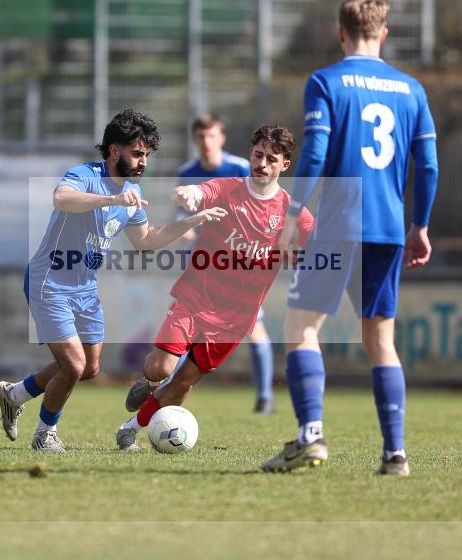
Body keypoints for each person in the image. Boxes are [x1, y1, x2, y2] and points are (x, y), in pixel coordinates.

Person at [260, 0, 439, 475]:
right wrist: (419, 224)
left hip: (339, 224)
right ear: (384, 33)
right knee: (381, 340)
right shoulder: (411, 90)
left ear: (341, 33)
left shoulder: (326, 81)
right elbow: (428, 164)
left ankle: (310, 436)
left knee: (301, 329)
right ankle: (395, 454)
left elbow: (315, 153)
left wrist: (292, 213)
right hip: (388, 227)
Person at [0, 109, 227, 453]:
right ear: (114, 150)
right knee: (72, 364)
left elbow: (146, 240)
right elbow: (61, 198)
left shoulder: (131, 196)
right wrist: (111, 198)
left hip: (85, 287)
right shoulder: (86, 175)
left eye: (146, 154)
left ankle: (15, 395)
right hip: (50, 281)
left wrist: (193, 220)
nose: (142, 161)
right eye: (136, 153)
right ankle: (45, 435)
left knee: (88, 368)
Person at [116, 125, 314, 451]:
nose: (261, 163)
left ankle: (129, 429)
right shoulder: (228, 188)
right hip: (196, 297)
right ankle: (150, 382)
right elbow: (197, 193)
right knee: (160, 367)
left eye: (271, 158)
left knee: (184, 382)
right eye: (257, 155)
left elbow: (318, 245)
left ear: (284, 166)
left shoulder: (293, 215)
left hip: (235, 318)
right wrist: (188, 195)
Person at [172, 113, 277, 415]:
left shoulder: (240, 168)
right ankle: (168, 392)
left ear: (222, 138)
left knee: (253, 329)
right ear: (195, 140)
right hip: (202, 265)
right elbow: (183, 210)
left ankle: (265, 397)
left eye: (212, 135)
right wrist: (184, 226)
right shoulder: (187, 172)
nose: (207, 142)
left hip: (238, 266)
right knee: (186, 329)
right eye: (201, 136)